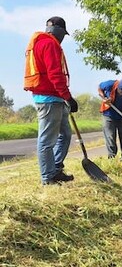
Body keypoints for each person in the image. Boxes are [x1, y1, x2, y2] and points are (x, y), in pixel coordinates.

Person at [23, 16, 78, 185]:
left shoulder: (43, 43)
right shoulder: (49, 44)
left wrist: (64, 97)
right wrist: (68, 97)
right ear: (58, 31)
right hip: (48, 99)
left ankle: (55, 169)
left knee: (65, 135)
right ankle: (48, 177)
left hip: (55, 97)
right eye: (63, 34)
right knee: (47, 141)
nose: (63, 38)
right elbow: (55, 74)